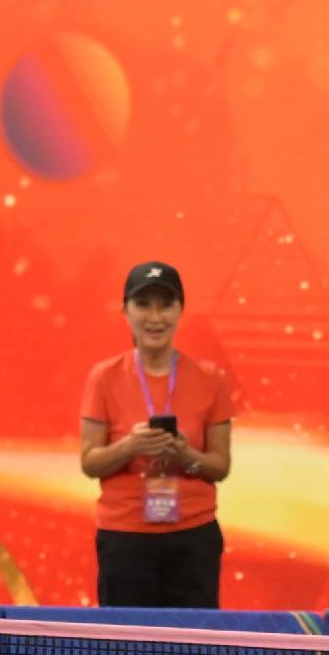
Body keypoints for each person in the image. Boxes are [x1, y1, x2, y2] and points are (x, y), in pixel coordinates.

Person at [76, 260, 233, 608]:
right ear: (126, 311)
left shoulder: (210, 379)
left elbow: (220, 467)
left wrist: (185, 456)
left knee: (193, 652)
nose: (155, 317)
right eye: (143, 304)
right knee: (124, 651)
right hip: (125, 538)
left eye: (166, 304)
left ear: (181, 310)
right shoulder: (104, 378)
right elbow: (90, 463)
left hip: (193, 537)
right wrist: (130, 447)